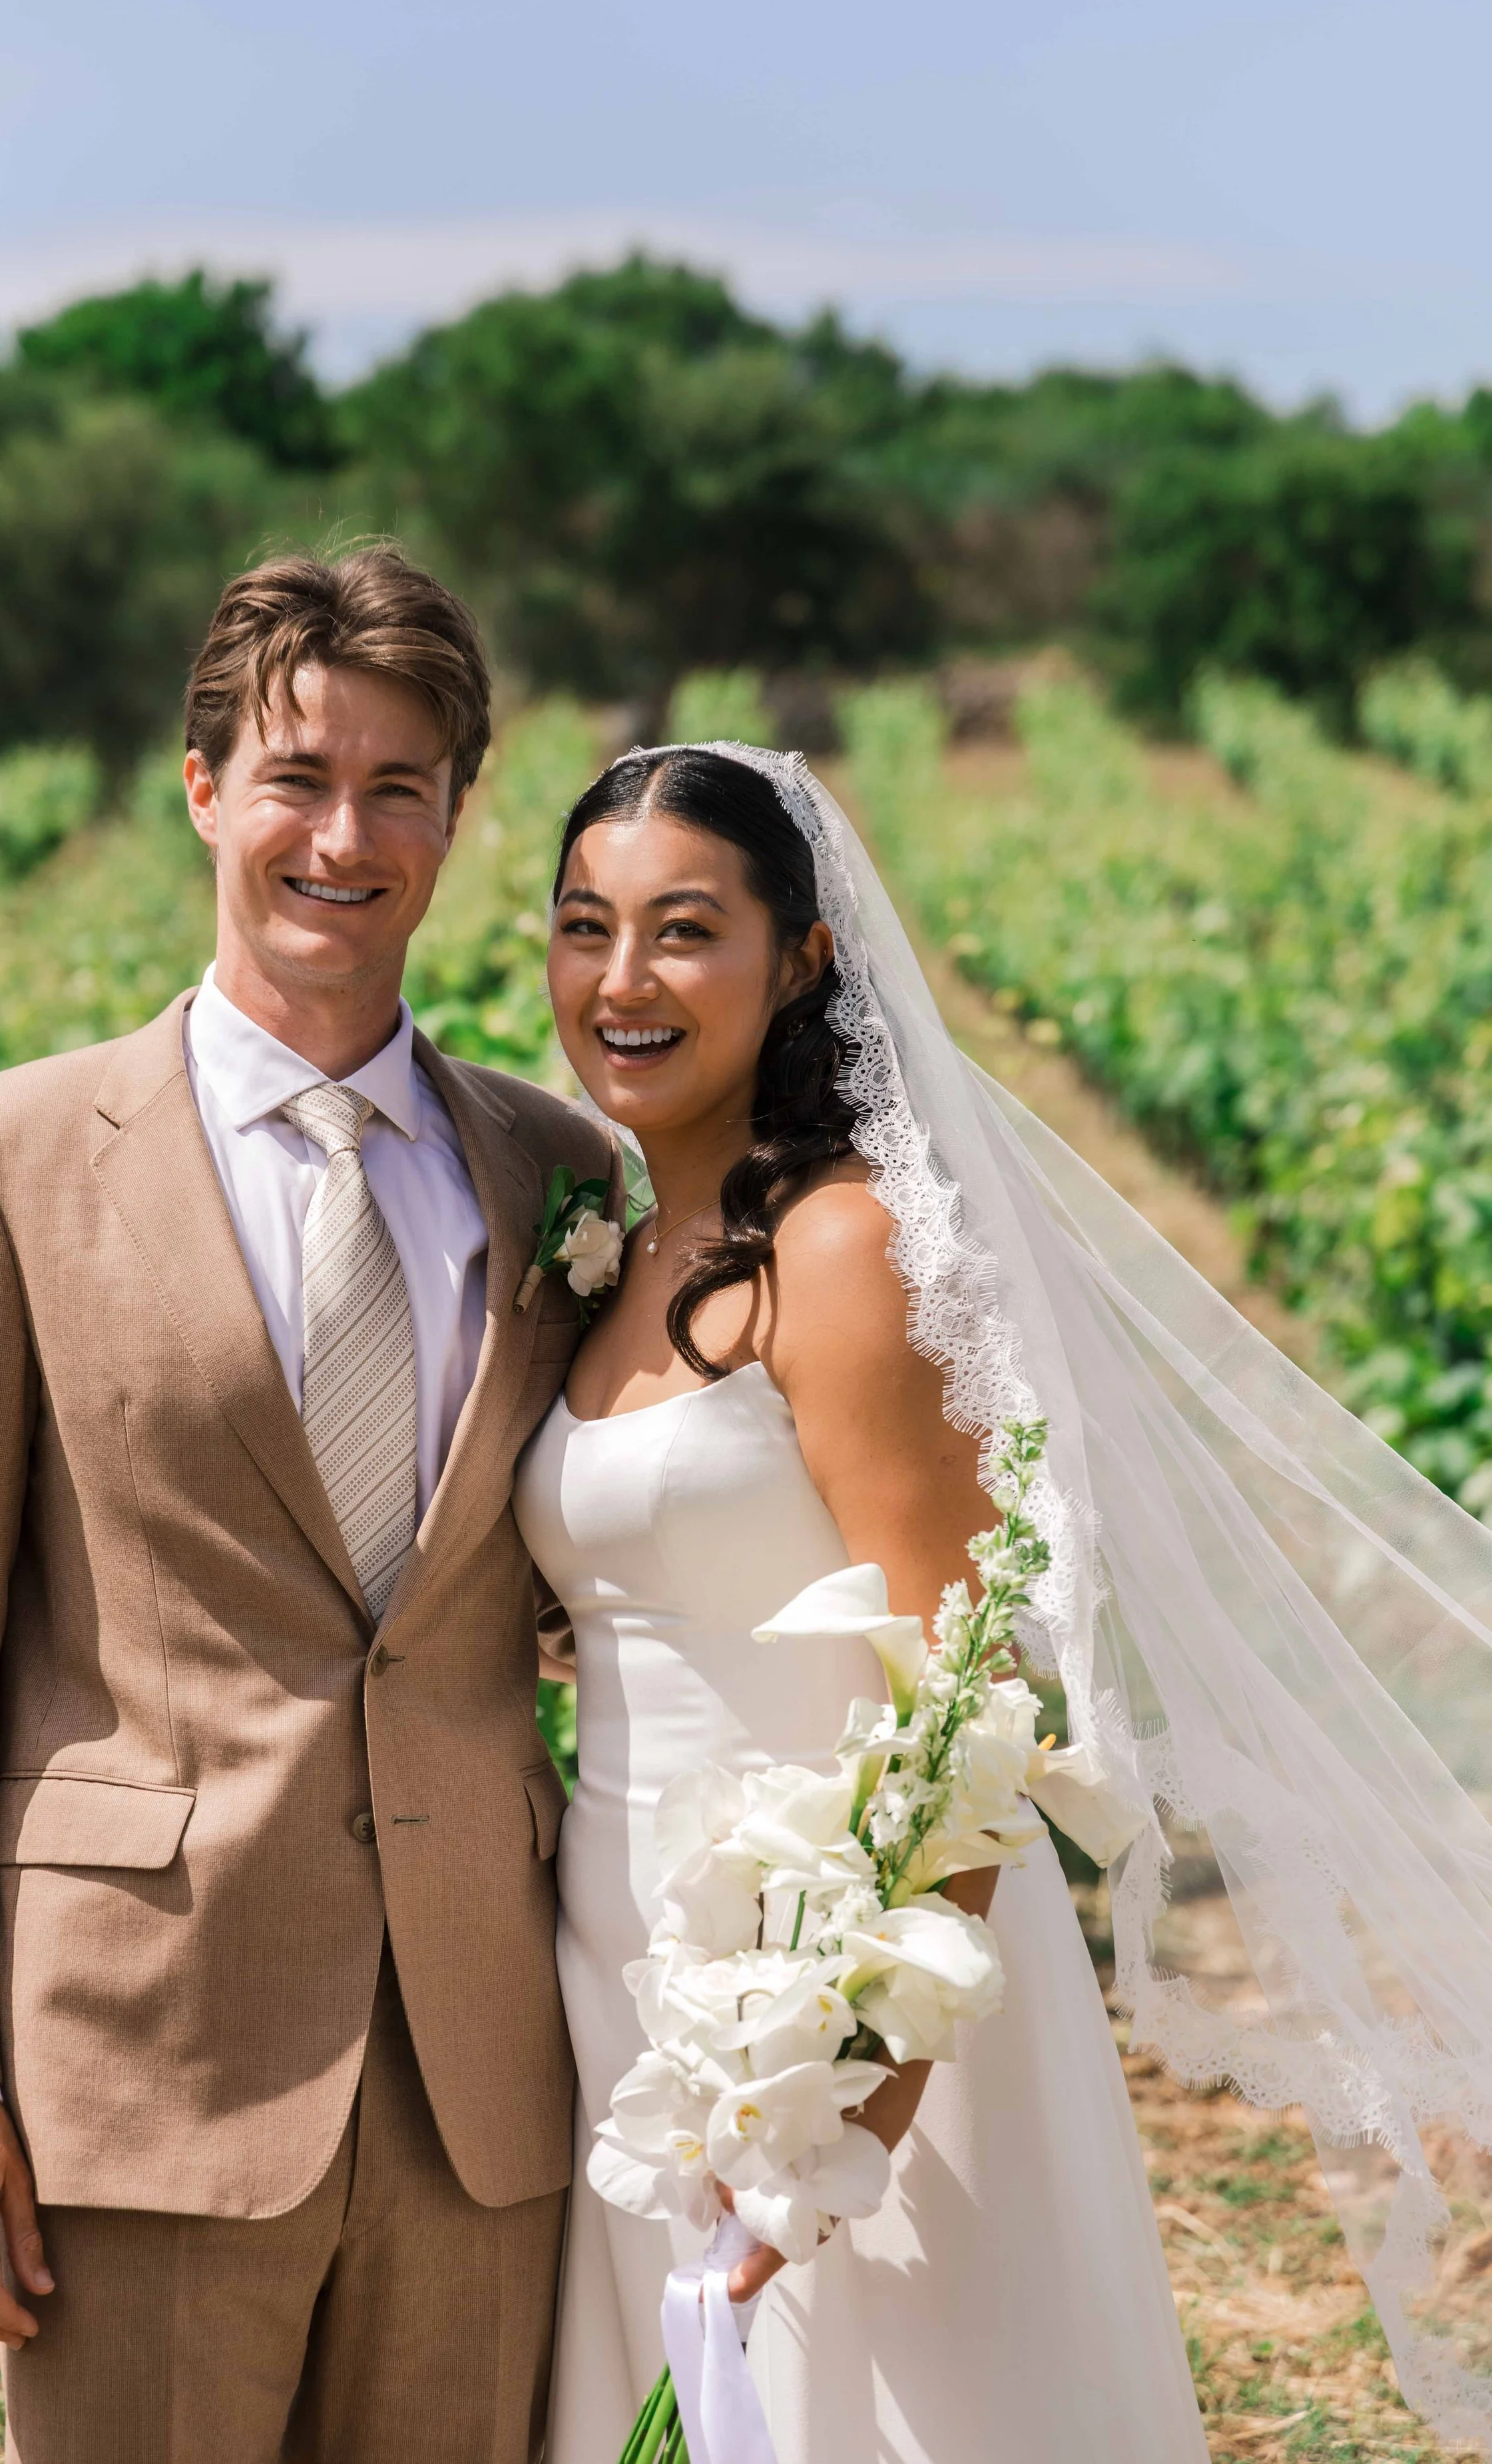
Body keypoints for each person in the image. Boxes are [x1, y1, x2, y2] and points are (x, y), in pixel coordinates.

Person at [514, 742, 1492, 2461]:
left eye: (684, 930)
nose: (621, 979)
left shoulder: (842, 1246)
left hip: (846, 1995)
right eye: (583, 925)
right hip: (623, 1968)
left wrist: (842, 2100)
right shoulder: (604, 1244)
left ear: (800, 957)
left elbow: (967, 1698)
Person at [0, 543, 621, 2464]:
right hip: (142, 2068)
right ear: (203, 790)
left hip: (481, 2084)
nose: (341, 834)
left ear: (455, 813)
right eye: (295, 776)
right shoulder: (3, 1157)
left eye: (397, 788)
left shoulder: (563, 1168)